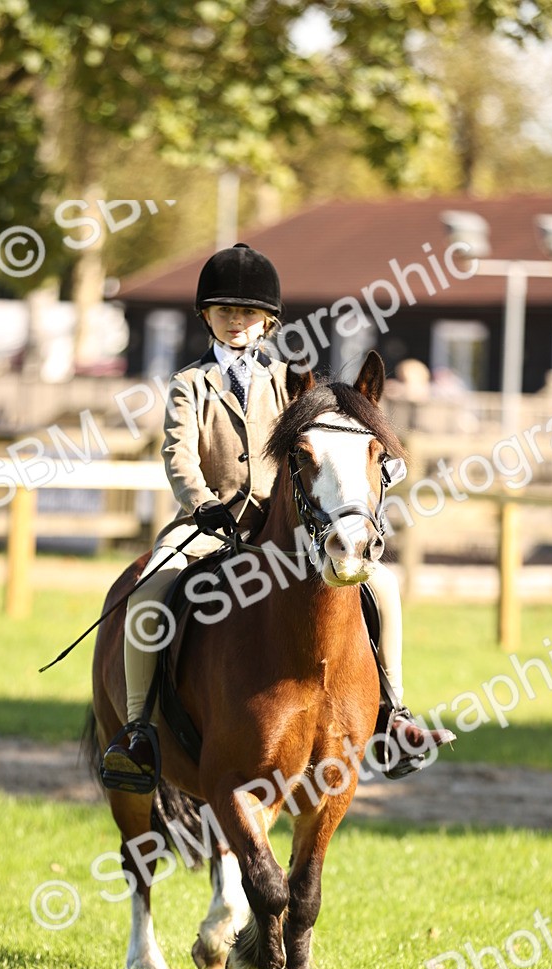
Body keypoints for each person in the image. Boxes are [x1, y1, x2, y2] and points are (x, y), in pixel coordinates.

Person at [101, 243, 450, 792]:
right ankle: (139, 728)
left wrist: (378, 471)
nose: (236, 323)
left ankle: (395, 714)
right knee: (149, 591)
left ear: (267, 321)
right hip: (208, 524)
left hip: (282, 526)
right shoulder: (190, 385)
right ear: (206, 317)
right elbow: (178, 457)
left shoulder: (291, 382)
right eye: (225, 312)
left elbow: (336, 443)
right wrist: (202, 505)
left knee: (381, 585)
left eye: (247, 314)